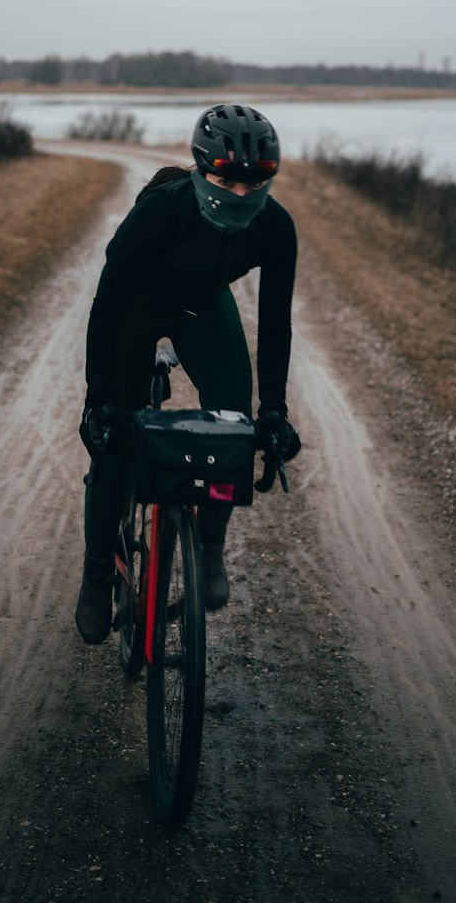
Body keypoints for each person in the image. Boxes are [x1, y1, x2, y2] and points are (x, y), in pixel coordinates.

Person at [75, 102, 301, 644]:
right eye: (227, 180)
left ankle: (210, 546)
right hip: (136, 307)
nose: (242, 195)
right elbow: (106, 306)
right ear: (202, 169)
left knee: (233, 421)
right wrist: (98, 396)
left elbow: (274, 323)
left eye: (257, 182)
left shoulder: (275, 228)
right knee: (113, 442)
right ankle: (97, 571)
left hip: (202, 305)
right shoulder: (160, 211)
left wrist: (273, 411)